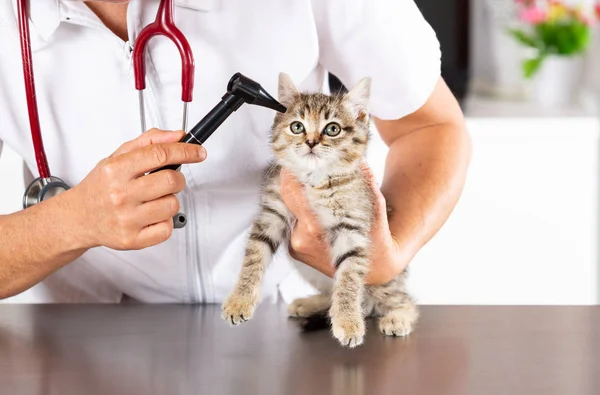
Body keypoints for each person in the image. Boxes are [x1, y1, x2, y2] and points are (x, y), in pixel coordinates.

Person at [0, 0, 471, 304]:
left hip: (285, 327)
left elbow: (428, 125)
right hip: (72, 345)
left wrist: (389, 251)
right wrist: (72, 221)